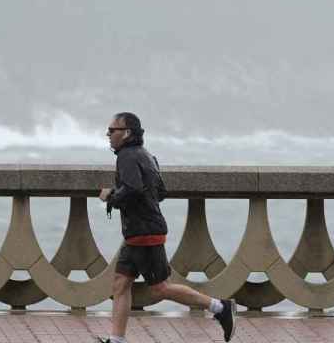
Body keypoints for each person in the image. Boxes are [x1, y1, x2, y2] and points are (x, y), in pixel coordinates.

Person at [98, 112, 235, 343]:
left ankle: (220, 307)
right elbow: (160, 193)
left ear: (127, 133)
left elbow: (133, 190)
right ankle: (117, 340)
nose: (108, 135)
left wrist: (110, 196)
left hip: (145, 234)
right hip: (139, 232)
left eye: (112, 130)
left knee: (160, 289)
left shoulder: (127, 156)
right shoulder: (147, 156)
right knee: (120, 285)